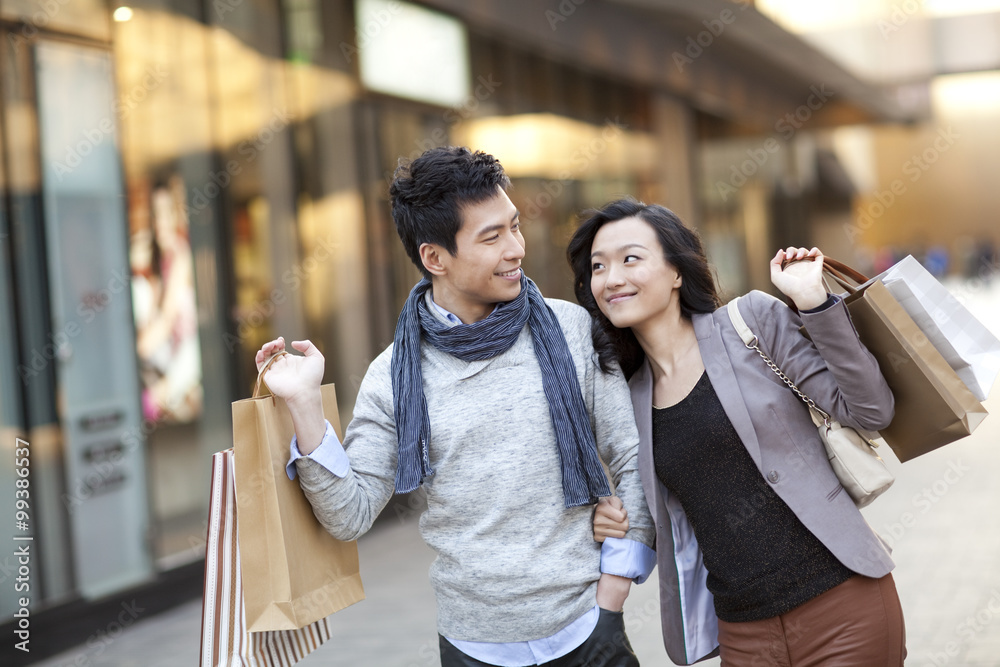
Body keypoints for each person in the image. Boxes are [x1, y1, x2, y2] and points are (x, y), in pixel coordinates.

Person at [254, 147, 655, 667]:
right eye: (492, 237)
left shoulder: (572, 330)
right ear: (435, 257)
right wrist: (305, 404)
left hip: (587, 633)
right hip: (473, 648)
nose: (516, 249)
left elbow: (632, 458)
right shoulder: (395, 374)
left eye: (514, 226)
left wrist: (614, 593)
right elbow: (349, 516)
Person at [567, 198, 905, 666]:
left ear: (677, 272)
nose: (612, 278)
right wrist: (609, 520)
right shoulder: (625, 396)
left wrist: (814, 303)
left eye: (631, 259)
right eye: (598, 267)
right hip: (744, 632)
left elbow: (871, 411)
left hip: (842, 602)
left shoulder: (751, 323)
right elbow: (657, 512)